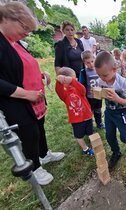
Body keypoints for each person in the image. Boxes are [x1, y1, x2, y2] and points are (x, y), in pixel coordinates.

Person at [0, 1, 64, 185]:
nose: (28, 33)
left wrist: (39, 74)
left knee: (39, 128)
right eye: (25, 27)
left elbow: (23, 63)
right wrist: (26, 94)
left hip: (34, 99)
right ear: (8, 19)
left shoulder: (14, 41)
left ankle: (43, 154)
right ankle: (35, 167)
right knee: (29, 133)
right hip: (17, 102)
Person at [94, 51, 126, 169]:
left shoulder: (122, 82)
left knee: (125, 137)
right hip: (109, 112)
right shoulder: (100, 81)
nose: (101, 78)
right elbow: (100, 93)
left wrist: (117, 98)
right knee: (109, 136)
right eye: (99, 75)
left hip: (122, 112)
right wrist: (98, 94)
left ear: (114, 69)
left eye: (104, 75)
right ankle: (116, 152)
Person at [55, 67, 94, 156]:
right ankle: (85, 149)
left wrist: (72, 81)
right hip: (76, 120)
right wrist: (58, 82)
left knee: (90, 132)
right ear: (64, 83)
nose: (75, 80)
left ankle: (93, 142)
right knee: (79, 136)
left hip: (87, 116)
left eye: (75, 78)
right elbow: (59, 91)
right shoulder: (65, 95)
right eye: (72, 79)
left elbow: (83, 89)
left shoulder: (78, 89)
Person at [79, 50, 105, 129]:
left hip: (99, 95)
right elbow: (81, 84)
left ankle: (99, 123)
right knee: (90, 111)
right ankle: (89, 125)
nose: (91, 64)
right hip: (90, 97)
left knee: (98, 110)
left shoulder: (98, 69)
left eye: (92, 61)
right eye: (88, 63)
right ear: (84, 63)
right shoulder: (83, 72)